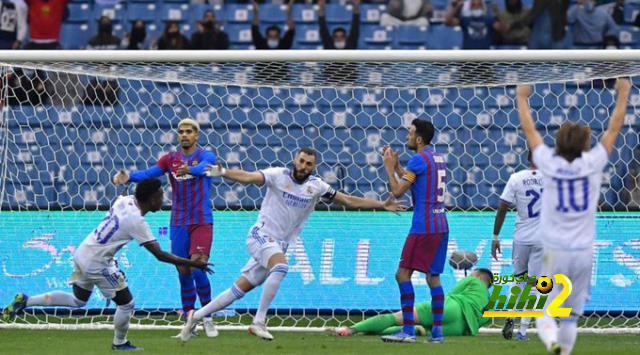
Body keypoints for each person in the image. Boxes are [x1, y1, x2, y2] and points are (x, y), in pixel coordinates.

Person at [179, 147, 406, 342]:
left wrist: (381, 204)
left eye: (309, 164)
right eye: (301, 161)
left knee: (239, 289)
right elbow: (249, 177)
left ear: (314, 167)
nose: (304, 166)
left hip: (278, 244)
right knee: (281, 267)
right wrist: (224, 172)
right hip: (260, 235)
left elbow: (347, 200)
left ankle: (196, 316)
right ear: (295, 161)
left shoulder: (317, 187)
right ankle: (259, 321)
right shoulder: (278, 175)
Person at [1, 179, 214, 351]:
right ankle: (119, 344)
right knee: (126, 303)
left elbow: (122, 194)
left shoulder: (125, 201)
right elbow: (159, 254)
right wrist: (193, 263)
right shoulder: (137, 221)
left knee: (78, 300)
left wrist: (123, 182)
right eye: (160, 195)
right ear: (151, 199)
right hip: (97, 263)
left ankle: (26, 301)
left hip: (84, 252)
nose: (163, 198)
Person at [515, 78, 630, 355]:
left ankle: (552, 341)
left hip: (554, 250)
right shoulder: (593, 163)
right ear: (585, 144)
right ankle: (563, 349)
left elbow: (529, 130)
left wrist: (521, 98)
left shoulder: (548, 163)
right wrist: (624, 92)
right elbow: (614, 128)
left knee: (543, 307)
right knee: (570, 315)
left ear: (557, 143)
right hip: (583, 251)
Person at [112, 118, 218, 338]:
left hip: (201, 220)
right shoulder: (170, 159)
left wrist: (191, 169)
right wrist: (129, 176)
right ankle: (190, 321)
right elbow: (150, 174)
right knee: (183, 271)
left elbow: (203, 169)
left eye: (189, 131)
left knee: (198, 266)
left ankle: (207, 316)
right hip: (178, 221)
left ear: (196, 135)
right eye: (181, 132)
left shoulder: (206, 156)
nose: (185, 135)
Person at [380, 119, 449, 344]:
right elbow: (415, 178)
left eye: (410, 134)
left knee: (402, 274)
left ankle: (408, 330)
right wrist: (400, 166)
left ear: (419, 139)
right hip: (441, 225)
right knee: (433, 277)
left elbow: (398, 191)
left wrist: (389, 169)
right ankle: (437, 333)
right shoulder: (437, 158)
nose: (408, 137)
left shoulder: (419, 160)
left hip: (424, 226)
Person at [327, 268, 494, 337]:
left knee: (399, 318)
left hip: (452, 308)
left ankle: (351, 329)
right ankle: (372, 331)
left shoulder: (473, 281)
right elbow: (480, 323)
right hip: (459, 328)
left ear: (479, 276)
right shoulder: (489, 304)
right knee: (418, 330)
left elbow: (452, 294)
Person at [491, 149, 543, 341]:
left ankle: (510, 315)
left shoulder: (516, 178)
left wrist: (495, 237)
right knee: (534, 286)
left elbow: (502, 207)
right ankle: (522, 331)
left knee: (518, 279)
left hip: (521, 238)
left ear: (528, 158)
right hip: (542, 240)